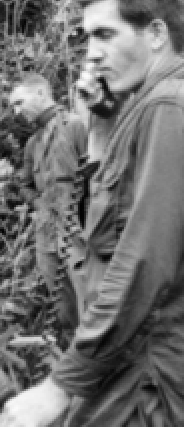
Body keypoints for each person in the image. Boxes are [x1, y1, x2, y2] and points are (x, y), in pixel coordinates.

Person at [0, 0, 184, 426]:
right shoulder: (166, 108)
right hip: (171, 378)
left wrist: (62, 386)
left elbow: (144, 259)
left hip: (163, 384)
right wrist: (99, 128)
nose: (91, 53)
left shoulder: (170, 109)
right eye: (87, 38)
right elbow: (107, 241)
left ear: (156, 34)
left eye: (105, 34)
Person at [7, 73, 88, 336]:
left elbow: (101, 178)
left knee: (91, 303)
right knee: (63, 310)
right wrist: (40, 203)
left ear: (41, 93)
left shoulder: (77, 126)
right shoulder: (32, 144)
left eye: (19, 102)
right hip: (46, 234)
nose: (17, 112)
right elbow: (24, 184)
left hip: (79, 232)